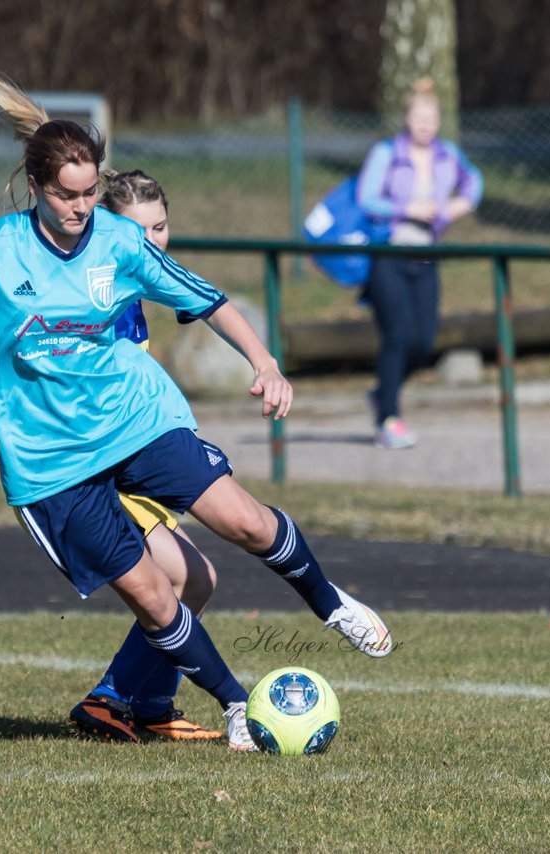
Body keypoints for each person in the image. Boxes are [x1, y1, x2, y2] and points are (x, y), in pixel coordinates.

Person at [0, 73, 393, 753]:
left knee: (246, 521)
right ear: (36, 190)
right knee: (153, 594)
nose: (83, 207)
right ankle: (236, 706)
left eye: (90, 192)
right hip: (51, 461)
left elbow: (208, 299)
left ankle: (332, 605)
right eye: (67, 195)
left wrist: (263, 362)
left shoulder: (119, 242)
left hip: (134, 423)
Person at [64, 169, 395, 745]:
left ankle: (126, 701)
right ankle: (137, 700)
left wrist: (264, 364)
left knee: (197, 579)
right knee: (184, 579)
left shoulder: (146, 269)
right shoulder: (71, 275)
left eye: (161, 226)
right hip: (84, 464)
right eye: (138, 230)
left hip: (138, 444)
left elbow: (212, 303)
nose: (152, 240)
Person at [356, 77, 483, 449]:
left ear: (439, 120)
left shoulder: (448, 155)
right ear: (407, 118)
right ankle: (388, 419)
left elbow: (474, 181)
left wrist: (459, 206)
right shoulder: (387, 153)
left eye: (431, 117)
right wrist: (406, 209)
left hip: (426, 257)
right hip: (389, 254)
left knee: (424, 340)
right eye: (418, 116)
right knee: (396, 335)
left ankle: (383, 392)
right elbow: (367, 198)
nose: (425, 123)